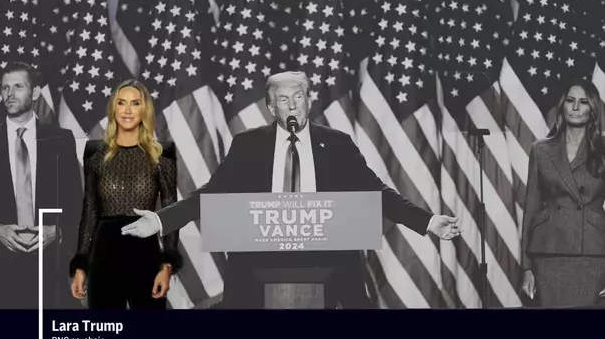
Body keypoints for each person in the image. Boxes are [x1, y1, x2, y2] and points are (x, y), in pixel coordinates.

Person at [121, 71, 461, 309]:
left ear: (309, 102)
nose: (292, 105)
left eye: (299, 97)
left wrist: (427, 221)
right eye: (283, 99)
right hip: (258, 265)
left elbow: (378, 192)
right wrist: (162, 221)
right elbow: (211, 194)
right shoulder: (248, 145)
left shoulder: (337, 144)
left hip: (330, 262)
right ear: (271, 107)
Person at [0, 61, 83, 309]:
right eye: (5, 88)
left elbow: (75, 203)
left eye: (18, 87)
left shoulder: (61, 141)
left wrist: (59, 230)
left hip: (49, 269)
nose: (9, 94)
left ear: (35, 93)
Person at [69, 79, 181, 310]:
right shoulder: (94, 152)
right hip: (104, 253)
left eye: (135, 103)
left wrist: (167, 266)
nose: (128, 110)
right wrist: (81, 265)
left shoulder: (162, 153)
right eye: (121, 103)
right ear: (113, 109)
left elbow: (171, 209)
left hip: (146, 254)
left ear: (145, 109)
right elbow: (89, 209)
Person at [521, 78, 605, 307]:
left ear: (593, 109)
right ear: (563, 106)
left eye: (583, 102)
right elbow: (531, 208)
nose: (576, 107)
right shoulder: (541, 150)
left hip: (593, 252)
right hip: (549, 251)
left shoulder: (603, 149)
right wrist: (526, 265)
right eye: (570, 101)